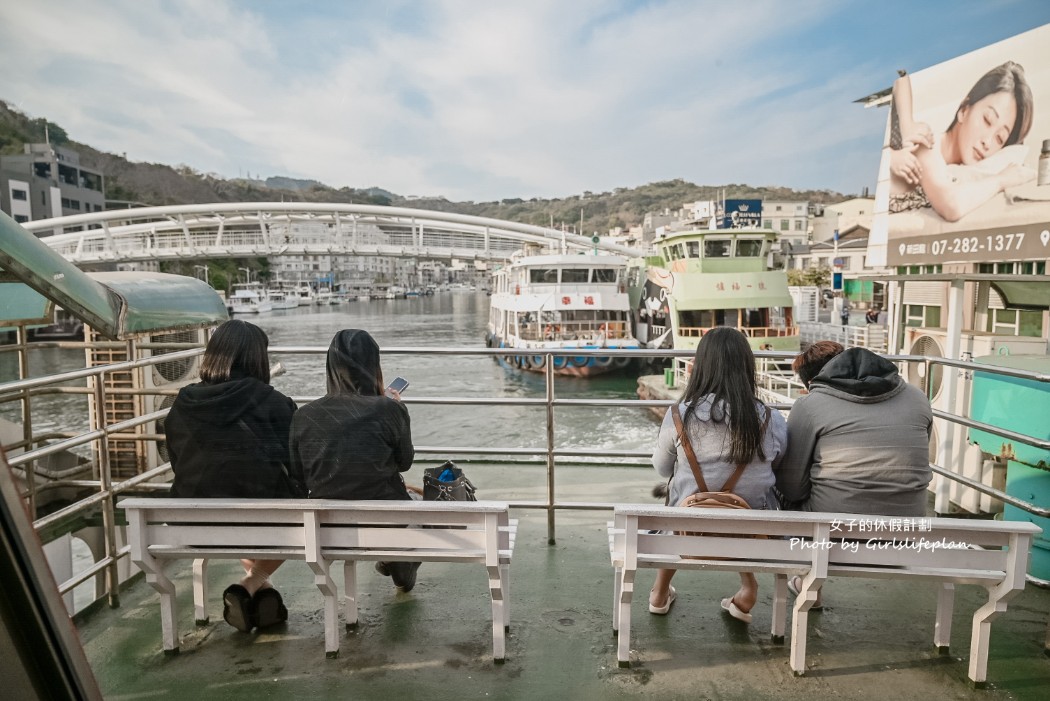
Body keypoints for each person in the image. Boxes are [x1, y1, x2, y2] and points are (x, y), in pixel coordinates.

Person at [164, 319, 301, 633]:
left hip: (193, 526)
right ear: (257, 359)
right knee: (285, 511)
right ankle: (252, 584)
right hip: (265, 523)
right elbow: (297, 465)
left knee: (226, 498)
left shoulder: (182, 403)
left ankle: (261, 593)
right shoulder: (274, 403)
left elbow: (176, 461)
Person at [649, 327, 788, 623]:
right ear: (746, 366)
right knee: (743, 500)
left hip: (687, 530)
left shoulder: (679, 414)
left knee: (679, 493)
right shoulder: (770, 418)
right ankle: (748, 587)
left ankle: (660, 592)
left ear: (702, 366)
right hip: (753, 535)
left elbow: (661, 468)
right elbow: (780, 466)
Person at [776, 345, 933, 607]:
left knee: (783, 492)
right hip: (905, 531)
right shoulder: (918, 398)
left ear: (815, 380)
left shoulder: (811, 404)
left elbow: (792, 488)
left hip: (836, 533)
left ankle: (809, 584)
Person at [289, 329, 420, 591]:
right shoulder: (389, 409)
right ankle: (398, 557)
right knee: (419, 498)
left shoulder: (304, 415)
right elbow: (404, 462)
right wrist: (397, 407)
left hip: (327, 527)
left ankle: (394, 557)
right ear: (374, 365)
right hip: (387, 518)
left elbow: (297, 475)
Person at [889, 62, 1036, 222]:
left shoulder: (961, 175)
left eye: (999, 138)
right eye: (988, 120)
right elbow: (952, 205)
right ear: (964, 111)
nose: (987, 142)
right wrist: (1002, 179)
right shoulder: (925, 142)